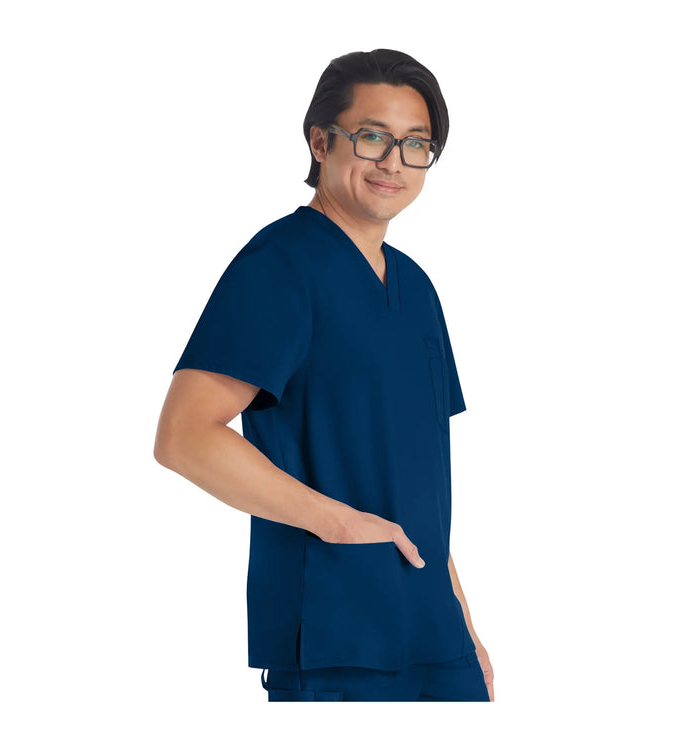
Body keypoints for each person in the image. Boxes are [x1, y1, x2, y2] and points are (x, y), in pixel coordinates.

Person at [154, 48, 494, 702]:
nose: (394, 162)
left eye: (416, 144)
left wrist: (463, 624)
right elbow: (183, 436)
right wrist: (339, 524)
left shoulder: (418, 289)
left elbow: (418, 483)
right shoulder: (278, 267)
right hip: (339, 636)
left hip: (438, 640)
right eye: (373, 137)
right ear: (320, 141)